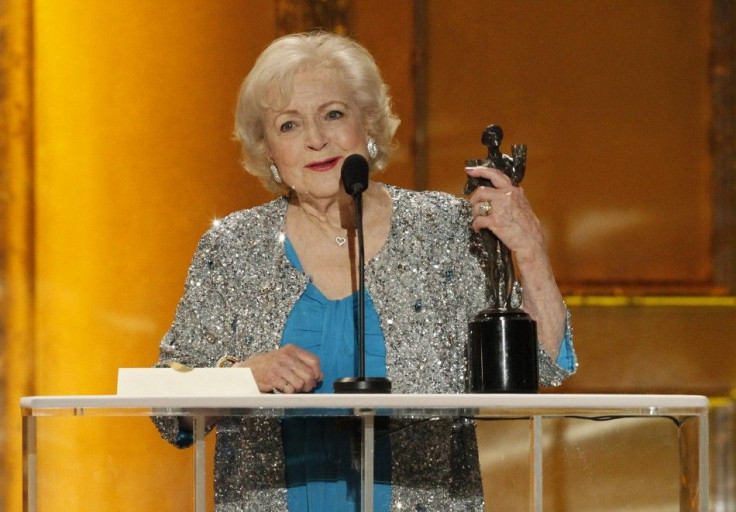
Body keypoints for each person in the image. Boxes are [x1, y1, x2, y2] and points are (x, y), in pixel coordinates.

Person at [153, 31, 577, 511]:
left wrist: (531, 250)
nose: (316, 140)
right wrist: (241, 376)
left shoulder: (444, 229)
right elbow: (170, 415)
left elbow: (542, 365)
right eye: (289, 126)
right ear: (268, 149)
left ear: (368, 124)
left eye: (333, 114)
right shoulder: (231, 248)